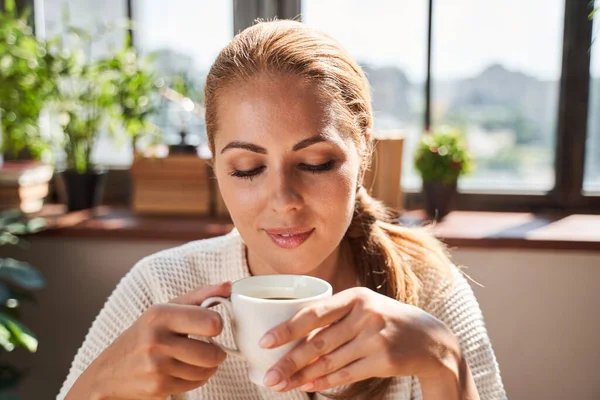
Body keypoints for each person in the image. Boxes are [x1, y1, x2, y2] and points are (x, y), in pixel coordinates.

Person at [59, 20, 506, 400]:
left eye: (316, 164)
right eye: (248, 168)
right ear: (216, 167)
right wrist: (98, 387)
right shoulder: (158, 288)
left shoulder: (427, 286)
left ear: (363, 155)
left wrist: (444, 362)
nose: (284, 200)